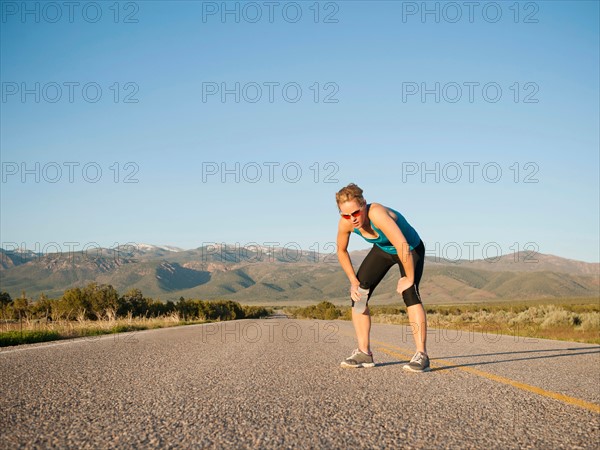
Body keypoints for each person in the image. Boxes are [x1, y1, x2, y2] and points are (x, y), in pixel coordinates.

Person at [335, 183, 430, 372]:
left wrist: (409, 278)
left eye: (355, 213)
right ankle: (364, 352)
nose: (352, 219)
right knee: (359, 295)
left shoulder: (377, 214)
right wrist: (354, 282)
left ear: (364, 204)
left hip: (410, 248)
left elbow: (403, 246)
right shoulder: (346, 223)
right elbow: (341, 250)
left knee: (410, 293)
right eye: (346, 215)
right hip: (383, 249)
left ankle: (422, 356)